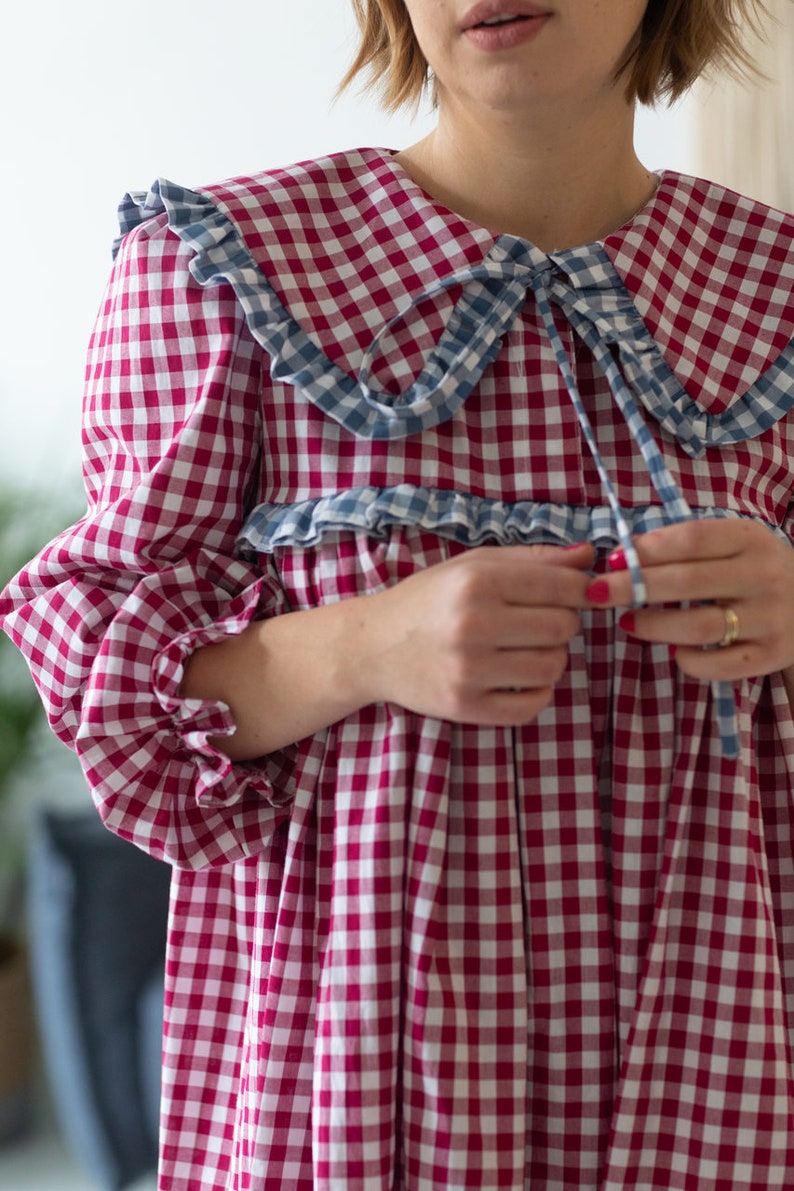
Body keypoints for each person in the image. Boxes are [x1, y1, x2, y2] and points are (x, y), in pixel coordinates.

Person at [2, 0, 794, 1186]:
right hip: (356, 1071)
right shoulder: (233, 265)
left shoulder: (769, 288)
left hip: (721, 1043)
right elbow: (97, 668)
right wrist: (366, 647)